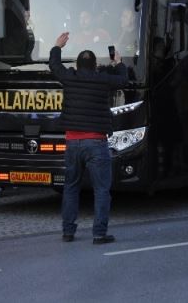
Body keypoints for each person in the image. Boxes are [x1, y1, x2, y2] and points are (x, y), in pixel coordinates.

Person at [49, 32, 128, 244]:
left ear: (77, 64)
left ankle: (68, 232)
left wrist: (57, 46)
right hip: (96, 142)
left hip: (72, 142)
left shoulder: (69, 77)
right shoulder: (102, 79)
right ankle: (99, 234)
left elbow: (55, 66)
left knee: (71, 187)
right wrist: (118, 63)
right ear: (94, 65)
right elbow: (123, 80)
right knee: (101, 189)